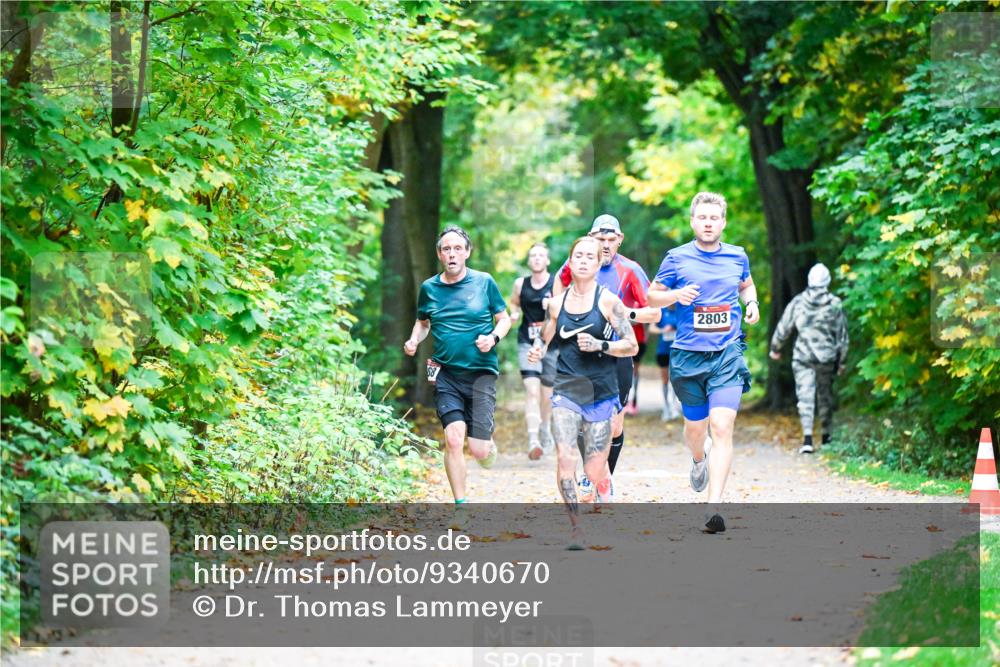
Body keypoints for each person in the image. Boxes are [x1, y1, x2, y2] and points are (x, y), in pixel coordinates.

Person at [647, 192, 760, 534]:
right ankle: (698, 459)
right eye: (703, 217)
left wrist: (751, 303)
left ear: (723, 222)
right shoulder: (676, 258)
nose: (709, 223)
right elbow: (652, 295)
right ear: (693, 221)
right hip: (687, 356)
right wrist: (675, 296)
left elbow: (746, 285)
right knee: (697, 431)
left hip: (726, 354)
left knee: (722, 428)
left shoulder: (737, 256)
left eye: (715, 218)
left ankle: (714, 507)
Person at [529, 236, 638, 549]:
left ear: (598, 262)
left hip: (602, 391)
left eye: (590, 256)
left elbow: (631, 344)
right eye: (578, 255)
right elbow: (548, 331)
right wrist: (538, 348)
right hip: (567, 387)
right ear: (570, 261)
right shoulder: (557, 301)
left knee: (592, 467)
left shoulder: (608, 302)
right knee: (565, 456)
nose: (584, 260)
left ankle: (603, 482)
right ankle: (576, 527)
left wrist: (601, 344)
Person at [553, 214, 660, 500]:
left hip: (616, 355)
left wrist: (624, 314)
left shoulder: (630, 270)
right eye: (600, 240)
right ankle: (595, 478)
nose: (605, 245)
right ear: (590, 238)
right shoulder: (576, 265)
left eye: (611, 240)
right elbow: (556, 295)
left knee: (613, 426)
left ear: (620, 240)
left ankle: (601, 477)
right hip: (579, 358)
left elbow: (655, 312)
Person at [404, 226, 511, 505]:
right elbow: (423, 323)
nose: (452, 254)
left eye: (457, 249)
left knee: (478, 450)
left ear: (467, 252)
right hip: (445, 373)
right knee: (453, 439)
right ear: (440, 254)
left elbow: (505, 318)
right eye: (446, 249)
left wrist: (493, 337)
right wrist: (414, 340)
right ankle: (460, 506)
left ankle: (485, 447)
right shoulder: (429, 288)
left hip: (480, 373)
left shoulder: (484, 282)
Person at [769, 263, 849, 454]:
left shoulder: (798, 302)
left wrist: (775, 348)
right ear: (828, 281)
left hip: (802, 357)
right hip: (826, 358)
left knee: (805, 397)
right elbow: (843, 336)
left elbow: (784, 327)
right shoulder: (835, 304)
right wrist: (842, 361)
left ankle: (807, 440)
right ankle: (827, 437)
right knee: (825, 396)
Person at [509, 243, 557, 460]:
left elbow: (564, 309)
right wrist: (514, 314)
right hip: (527, 342)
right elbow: (514, 303)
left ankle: (546, 429)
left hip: (551, 344)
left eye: (541, 256)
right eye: (533, 256)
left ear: (547, 260)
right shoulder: (520, 284)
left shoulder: (556, 283)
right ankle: (533, 439)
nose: (537, 259)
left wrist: (553, 305)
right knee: (532, 391)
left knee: (547, 396)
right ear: (529, 261)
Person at [649, 306, 682, 421]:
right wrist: (663, 330)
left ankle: (674, 407)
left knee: (675, 379)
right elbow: (651, 328)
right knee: (665, 380)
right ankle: (666, 406)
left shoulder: (680, 310)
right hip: (663, 351)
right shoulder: (661, 312)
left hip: (677, 351)